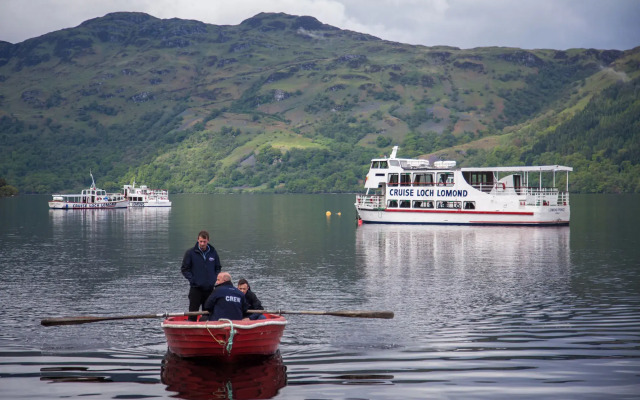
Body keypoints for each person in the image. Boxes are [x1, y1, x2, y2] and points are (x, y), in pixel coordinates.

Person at [181, 230, 222, 321]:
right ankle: (191, 330)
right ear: (197, 240)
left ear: (208, 240)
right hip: (196, 289)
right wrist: (193, 280)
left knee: (207, 313)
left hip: (209, 289)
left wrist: (214, 279)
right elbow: (184, 269)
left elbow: (218, 267)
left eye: (204, 241)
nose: (202, 243)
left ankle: (206, 331)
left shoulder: (213, 252)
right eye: (200, 241)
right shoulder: (190, 253)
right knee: (193, 313)